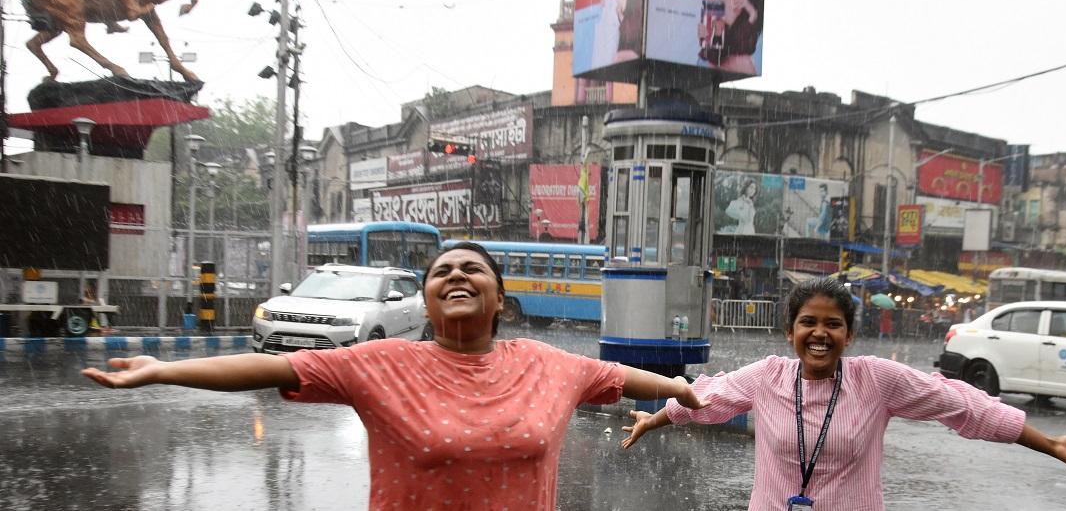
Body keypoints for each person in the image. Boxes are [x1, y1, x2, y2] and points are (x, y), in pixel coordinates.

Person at [83, 241, 707, 510]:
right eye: (442, 272)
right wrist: (164, 370)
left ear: (500, 300)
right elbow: (271, 366)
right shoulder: (382, 364)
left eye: (473, 269)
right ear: (427, 301)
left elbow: (620, 376)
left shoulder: (547, 364)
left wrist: (679, 388)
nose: (456, 275)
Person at [621, 278, 1066, 511]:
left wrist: (1049, 444)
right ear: (790, 332)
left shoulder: (876, 380)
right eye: (808, 322)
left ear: (849, 334)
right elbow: (706, 397)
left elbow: (962, 405)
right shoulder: (768, 376)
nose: (820, 333)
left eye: (832, 324)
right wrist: (656, 418)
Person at [698, 0, 764, 75]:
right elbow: (714, 55)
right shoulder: (717, 2)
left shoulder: (754, 7)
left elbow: (748, 47)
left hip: (743, 72)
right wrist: (729, 20)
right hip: (713, 71)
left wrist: (753, 15)